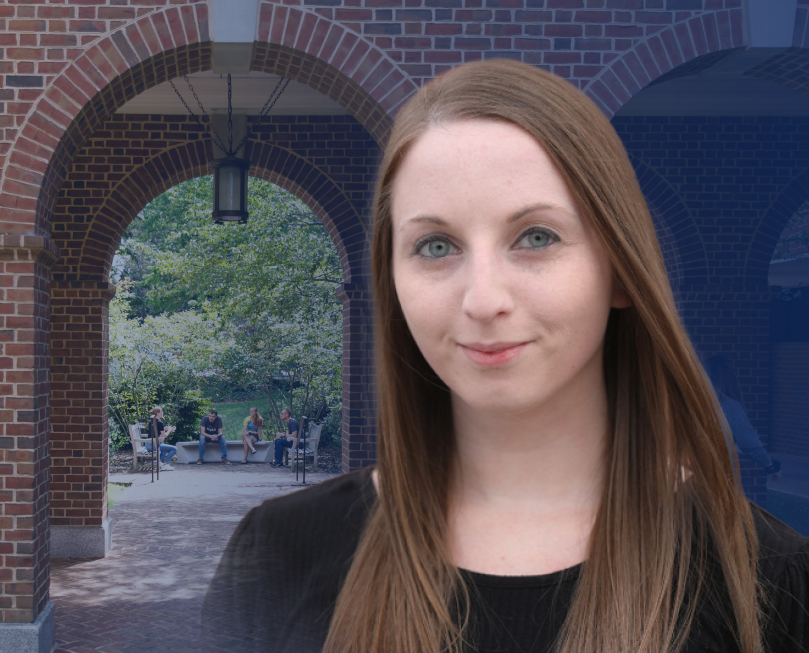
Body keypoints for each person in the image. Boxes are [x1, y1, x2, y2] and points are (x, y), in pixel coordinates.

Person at [201, 58, 809, 653]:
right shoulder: (279, 552)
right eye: (435, 246)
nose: (483, 299)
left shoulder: (769, 580)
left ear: (620, 269)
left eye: (536, 237)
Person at [701, 355, 782, 484]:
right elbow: (750, 445)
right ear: (729, 379)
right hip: (708, 474)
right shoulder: (727, 405)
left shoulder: (687, 401)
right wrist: (770, 466)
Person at [145, 406, 177, 471]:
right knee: (174, 448)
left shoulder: (152, 421)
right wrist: (169, 430)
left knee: (164, 448)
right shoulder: (160, 423)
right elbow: (164, 436)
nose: (162, 413)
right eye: (161, 411)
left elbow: (156, 429)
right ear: (158, 413)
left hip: (147, 445)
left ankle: (158, 462)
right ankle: (166, 464)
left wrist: (165, 428)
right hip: (154, 445)